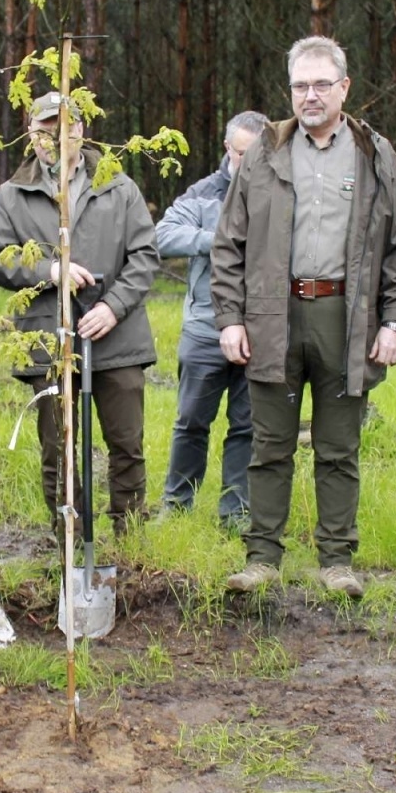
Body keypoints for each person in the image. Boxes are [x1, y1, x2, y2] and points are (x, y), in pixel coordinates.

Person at [210, 35, 396, 597]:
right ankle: (261, 558)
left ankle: (337, 562)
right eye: (300, 85)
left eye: (321, 84)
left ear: (344, 88)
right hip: (272, 318)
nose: (310, 95)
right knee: (269, 445)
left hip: (345, 318)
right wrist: (230, 319)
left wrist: (395, 320)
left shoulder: (375, 154)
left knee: (338, 448)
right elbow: (228, 243)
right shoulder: (264, 151)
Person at [0, 90, 159, 536]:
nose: (55, 137)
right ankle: (70, 536)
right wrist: (50, 269)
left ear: (81, 129)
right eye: (44, 128)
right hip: (49, 339)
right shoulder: (12, 194)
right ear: (30, 133)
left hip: (116, 339)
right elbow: (0, 260)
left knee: (126, 442)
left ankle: (131, 536)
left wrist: (112, 307)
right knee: (58, 446)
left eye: (65, 127)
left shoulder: (118, 184)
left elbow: (145, 257)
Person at [155, 110, 267, 532]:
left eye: (256, 154)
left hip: (261, 330)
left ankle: (236, 512)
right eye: (241, 154)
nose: (248, 162)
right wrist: (217, 240)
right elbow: (163, 236)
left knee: (248, 426)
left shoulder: (279, 191)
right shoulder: (202, 193)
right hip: (205, 329)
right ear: (227, 149)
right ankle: (177, 505)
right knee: (191, 422)